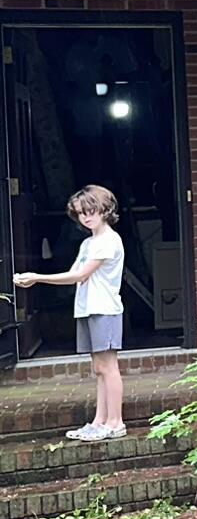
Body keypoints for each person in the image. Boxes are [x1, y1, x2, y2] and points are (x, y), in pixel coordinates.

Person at [11, 184, 127, 441]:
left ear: (105, 210)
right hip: (88, 308)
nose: (86, 217)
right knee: (98, 367)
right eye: (80, 213)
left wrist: (37, 277)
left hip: (105, 309)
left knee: (108, 367)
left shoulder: (109, 240)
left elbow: (80, 274)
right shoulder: (89, 243)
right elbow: (76, 275)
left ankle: (115, 422)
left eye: (90, 211)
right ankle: (100, 421)